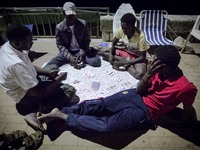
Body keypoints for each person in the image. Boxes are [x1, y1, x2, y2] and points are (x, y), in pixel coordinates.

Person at [37, 45, 197, 135]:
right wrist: (148, 75)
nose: (151, 63)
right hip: (136, 95)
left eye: (155, 63)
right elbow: (139, 90)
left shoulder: (185, 88)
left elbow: (188, 109)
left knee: (107, 125)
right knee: (100, 104)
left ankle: (63, 116)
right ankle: (59, 111)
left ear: (166, 66)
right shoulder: (155, 72)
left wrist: (192, 125)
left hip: (145, 112)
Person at [0, 24, 77, 132]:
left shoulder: (10, 46)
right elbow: (39, 92)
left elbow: (28, 65)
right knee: (70, 91)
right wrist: (59, 79)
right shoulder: (15, 64)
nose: (32, 43)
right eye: (29, 41)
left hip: (28, 82)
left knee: (53, 67)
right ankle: (38, 111)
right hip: (25, 96)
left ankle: (37, 106)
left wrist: (48, 73)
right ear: (17, 42)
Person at [45, 1, 101, 69]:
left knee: (96, 62)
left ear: (76, 13)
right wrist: (69, 57)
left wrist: (82, 52)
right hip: (68, 51)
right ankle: (76, 59)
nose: (71, 17)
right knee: (51, 63)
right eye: (69, 15)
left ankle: (81, 57)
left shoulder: (83, 24)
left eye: (73, 14)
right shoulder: (59, 27)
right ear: (64, 14)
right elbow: (60, 44)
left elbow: (86, 40)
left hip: (80, 50)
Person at [99, 13, 149, 80]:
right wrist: (111, 55)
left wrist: (125, 63)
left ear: (132, 26)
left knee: (140, 75)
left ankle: (125, 65)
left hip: (137, 58)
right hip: (126, 53)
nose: (123, 30)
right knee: (102, 53)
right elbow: (113, 43)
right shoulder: (122, 30)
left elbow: (142, 57)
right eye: (122, 27)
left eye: (125, 28)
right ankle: (119, 59)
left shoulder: (141, 37)